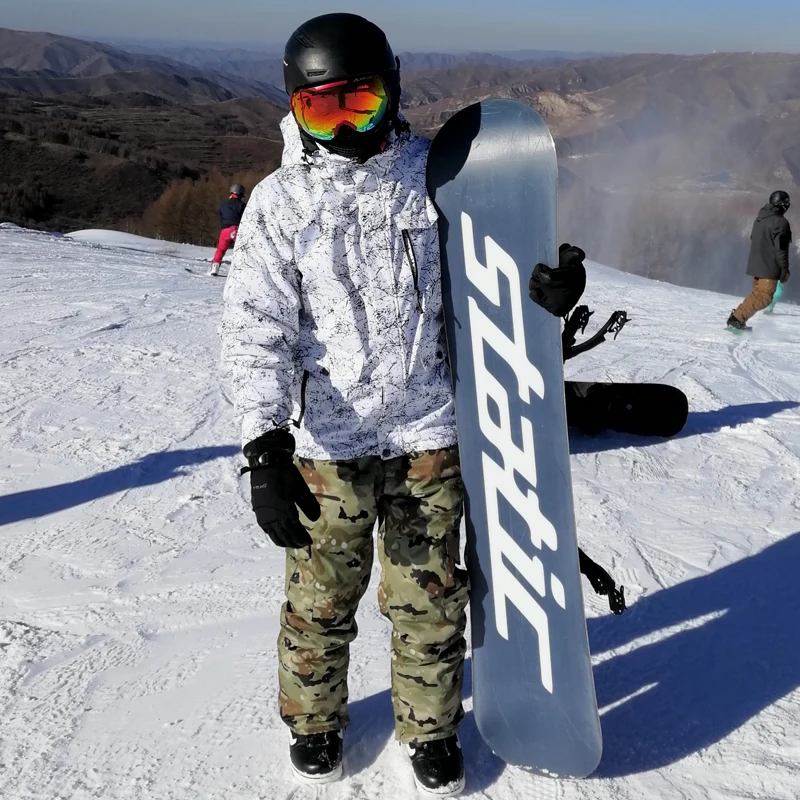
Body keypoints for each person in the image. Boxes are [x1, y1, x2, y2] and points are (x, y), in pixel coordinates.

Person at [220, 13, 582, 795]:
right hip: (328, 448)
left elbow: (498, 272)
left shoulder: (440, 177)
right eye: (324, 110)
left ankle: (430, 728)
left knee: (429, 598)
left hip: (430, 436)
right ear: (296, 110)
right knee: (320, 603)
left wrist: (545, 295)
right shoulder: (281, 205)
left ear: (392, 93)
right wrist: (263, 444)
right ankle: (315, 723)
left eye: (363, 103)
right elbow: (256, 329)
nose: (347, 126)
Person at [727, 190, 792, 331]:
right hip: (769, 267)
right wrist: (784, 269)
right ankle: (737, 319)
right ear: (783, 205)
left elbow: (754, 240)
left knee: (757, 294)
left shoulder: (760, 219)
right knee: (764, 297)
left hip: (756, 264)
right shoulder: (781, 223)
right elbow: (781, 249)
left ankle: (738, 318)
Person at [210, 184, 247, 276]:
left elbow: (221, 215)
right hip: (237, 229)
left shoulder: (224, 204)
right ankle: (242, 269)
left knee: (221, 249)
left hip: (225, 229)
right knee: (242, 249)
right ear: (241, 194)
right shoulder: (242, 205)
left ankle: (215, 267)